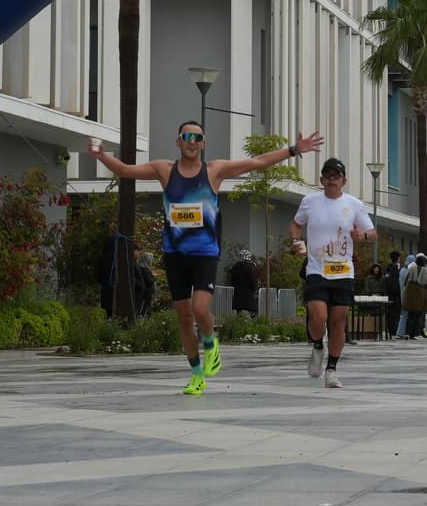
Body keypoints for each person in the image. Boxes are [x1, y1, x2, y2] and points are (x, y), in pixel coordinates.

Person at [89, 124, 324, 395]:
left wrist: (293, 150)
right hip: (175, 254)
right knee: (184, 317)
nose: (192, 141)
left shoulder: (214, 171)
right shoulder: (164, 169)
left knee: (201, 309)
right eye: (187, 137)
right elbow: (124, 170)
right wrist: (101, 155)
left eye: (197, 137)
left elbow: (256, 162)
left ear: (203, 143)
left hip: (204, 254)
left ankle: (211, 342)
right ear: (178, 141)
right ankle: (196, 373)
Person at [290, 157, 376, 388]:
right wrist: (297, 241)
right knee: (318, 317)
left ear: (343, 181)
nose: (331, 179)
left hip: (343, 270)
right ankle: (318, 345)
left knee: (338, 321)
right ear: (321, 180)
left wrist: (362, 237)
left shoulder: (354, 204)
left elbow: (372, 233)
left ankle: (331, 370)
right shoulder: (310, 202)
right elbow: (296, 224)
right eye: (327, 175)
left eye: (336, 176)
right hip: (316, 269)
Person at [401, 252, 427, 340]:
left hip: (410, 297)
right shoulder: (426, 271)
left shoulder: (410, 270)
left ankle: (407, 333)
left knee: (411, 316)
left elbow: (405, 282)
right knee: (419, 316)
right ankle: (416, 333)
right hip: (421, 296)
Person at [229, 249, 259, 316]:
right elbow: (252, 280)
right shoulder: (250, 267)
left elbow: (232, 281)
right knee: (252, 310)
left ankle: (239, 320)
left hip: (238, 293)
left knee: (238, 310)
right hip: (248, 293)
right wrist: (255, 287)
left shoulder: (235, 266)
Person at [394, 253, 415, 339]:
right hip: (407, 294)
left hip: (402, 293)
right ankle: (402, 332)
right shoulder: (409, 271)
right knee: (406, 314)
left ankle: (400, 332)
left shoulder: (402, 270)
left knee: (403, 314)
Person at [383, 251, 403, 340]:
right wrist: (396, 291)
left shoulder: (392, 268)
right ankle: (393, 331)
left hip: (394, 294)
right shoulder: (391, 268)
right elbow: (391, 282)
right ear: (397, 258)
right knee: (393, 314)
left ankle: (393, 330)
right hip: (394, 295)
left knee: (395, 313)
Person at [133, 251, 158, 317]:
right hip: (147, 291)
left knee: (144, 307)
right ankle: (144, 320)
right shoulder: (145, 268)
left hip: (144, 291)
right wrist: (154, 277)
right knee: (145, 308)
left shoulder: (141, 266)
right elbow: (149, 281)